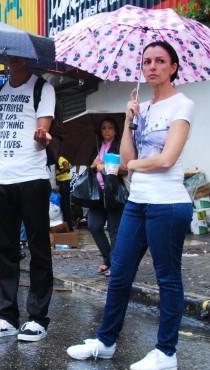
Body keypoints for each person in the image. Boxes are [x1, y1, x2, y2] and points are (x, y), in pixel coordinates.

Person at [67, 41, 194, 370]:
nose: (152, 66)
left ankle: (166, 353)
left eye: (160, 61)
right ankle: (106, 342)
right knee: (120, 273)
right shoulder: (145, 108)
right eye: (147, 61)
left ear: (173, 67)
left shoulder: (183, 105)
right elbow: (124, 157)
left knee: (167, 279)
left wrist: (130, 166)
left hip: (167, 204)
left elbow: (166, 159)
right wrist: (129, 119)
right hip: (137, 202)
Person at [0, 56, 56, 342]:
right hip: (1, 178)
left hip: (31, 178)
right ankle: (7, 315)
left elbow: (43, 131)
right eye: (8, 57)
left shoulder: (42, 89)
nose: (11, 61)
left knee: (38, 247)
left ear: (28, 59)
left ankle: (37, 318)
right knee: (4, 248)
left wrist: (42, 135)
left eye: (17, 57)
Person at [87, 118, 125, 277]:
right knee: (94, 225)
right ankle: (108, 258)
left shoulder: (120, 146)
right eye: (104, 128)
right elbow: (90, 168)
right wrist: (93, 164)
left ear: (116, 130)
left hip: (113, 193)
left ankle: (115, 265)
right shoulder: (96, 147)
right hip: (97, 195)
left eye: (110, 128)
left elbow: (124, 168)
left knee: (114, 229)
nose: (107, 131)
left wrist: (104, 166)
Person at [55, 154, 73, 230]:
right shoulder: (57, 160)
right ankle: (65, 225)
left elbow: (67, 168)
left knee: (65, 206)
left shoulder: (60, 158)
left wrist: (56, 174)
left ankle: (68, 225)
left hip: (64, 183)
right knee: (63, 205)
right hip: (62, 183)